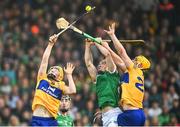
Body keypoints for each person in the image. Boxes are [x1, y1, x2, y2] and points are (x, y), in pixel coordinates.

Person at [104, 23, 151, 126]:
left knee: (108, 120)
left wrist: (112, 35)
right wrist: (106, 47)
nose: (132, 60)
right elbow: (119, 61)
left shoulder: (134, 69)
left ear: (139, 64)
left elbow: (122, 52)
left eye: (135, 59)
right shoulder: (134, 73)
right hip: (138, 114)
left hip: (131, 114)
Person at [30, 34, 76, 126]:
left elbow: (72, 90)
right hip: (37, 119)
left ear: (60, 77)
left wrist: (69, 75)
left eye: (56, 70)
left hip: (51, 121)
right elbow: (44, 61)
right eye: (51, 69)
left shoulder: (61, 86)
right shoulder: (42, 79)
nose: (52, 70)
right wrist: (50, 45)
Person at [84, 38, 122, 127]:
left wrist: (97, 42)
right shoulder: (98, 78)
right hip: (105, 116)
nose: (100, 64)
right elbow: (88, 63)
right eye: (100, 63)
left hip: (114, 113)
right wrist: (87, 46)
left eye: (103, 63)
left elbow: (108, 54)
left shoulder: (112, 73)